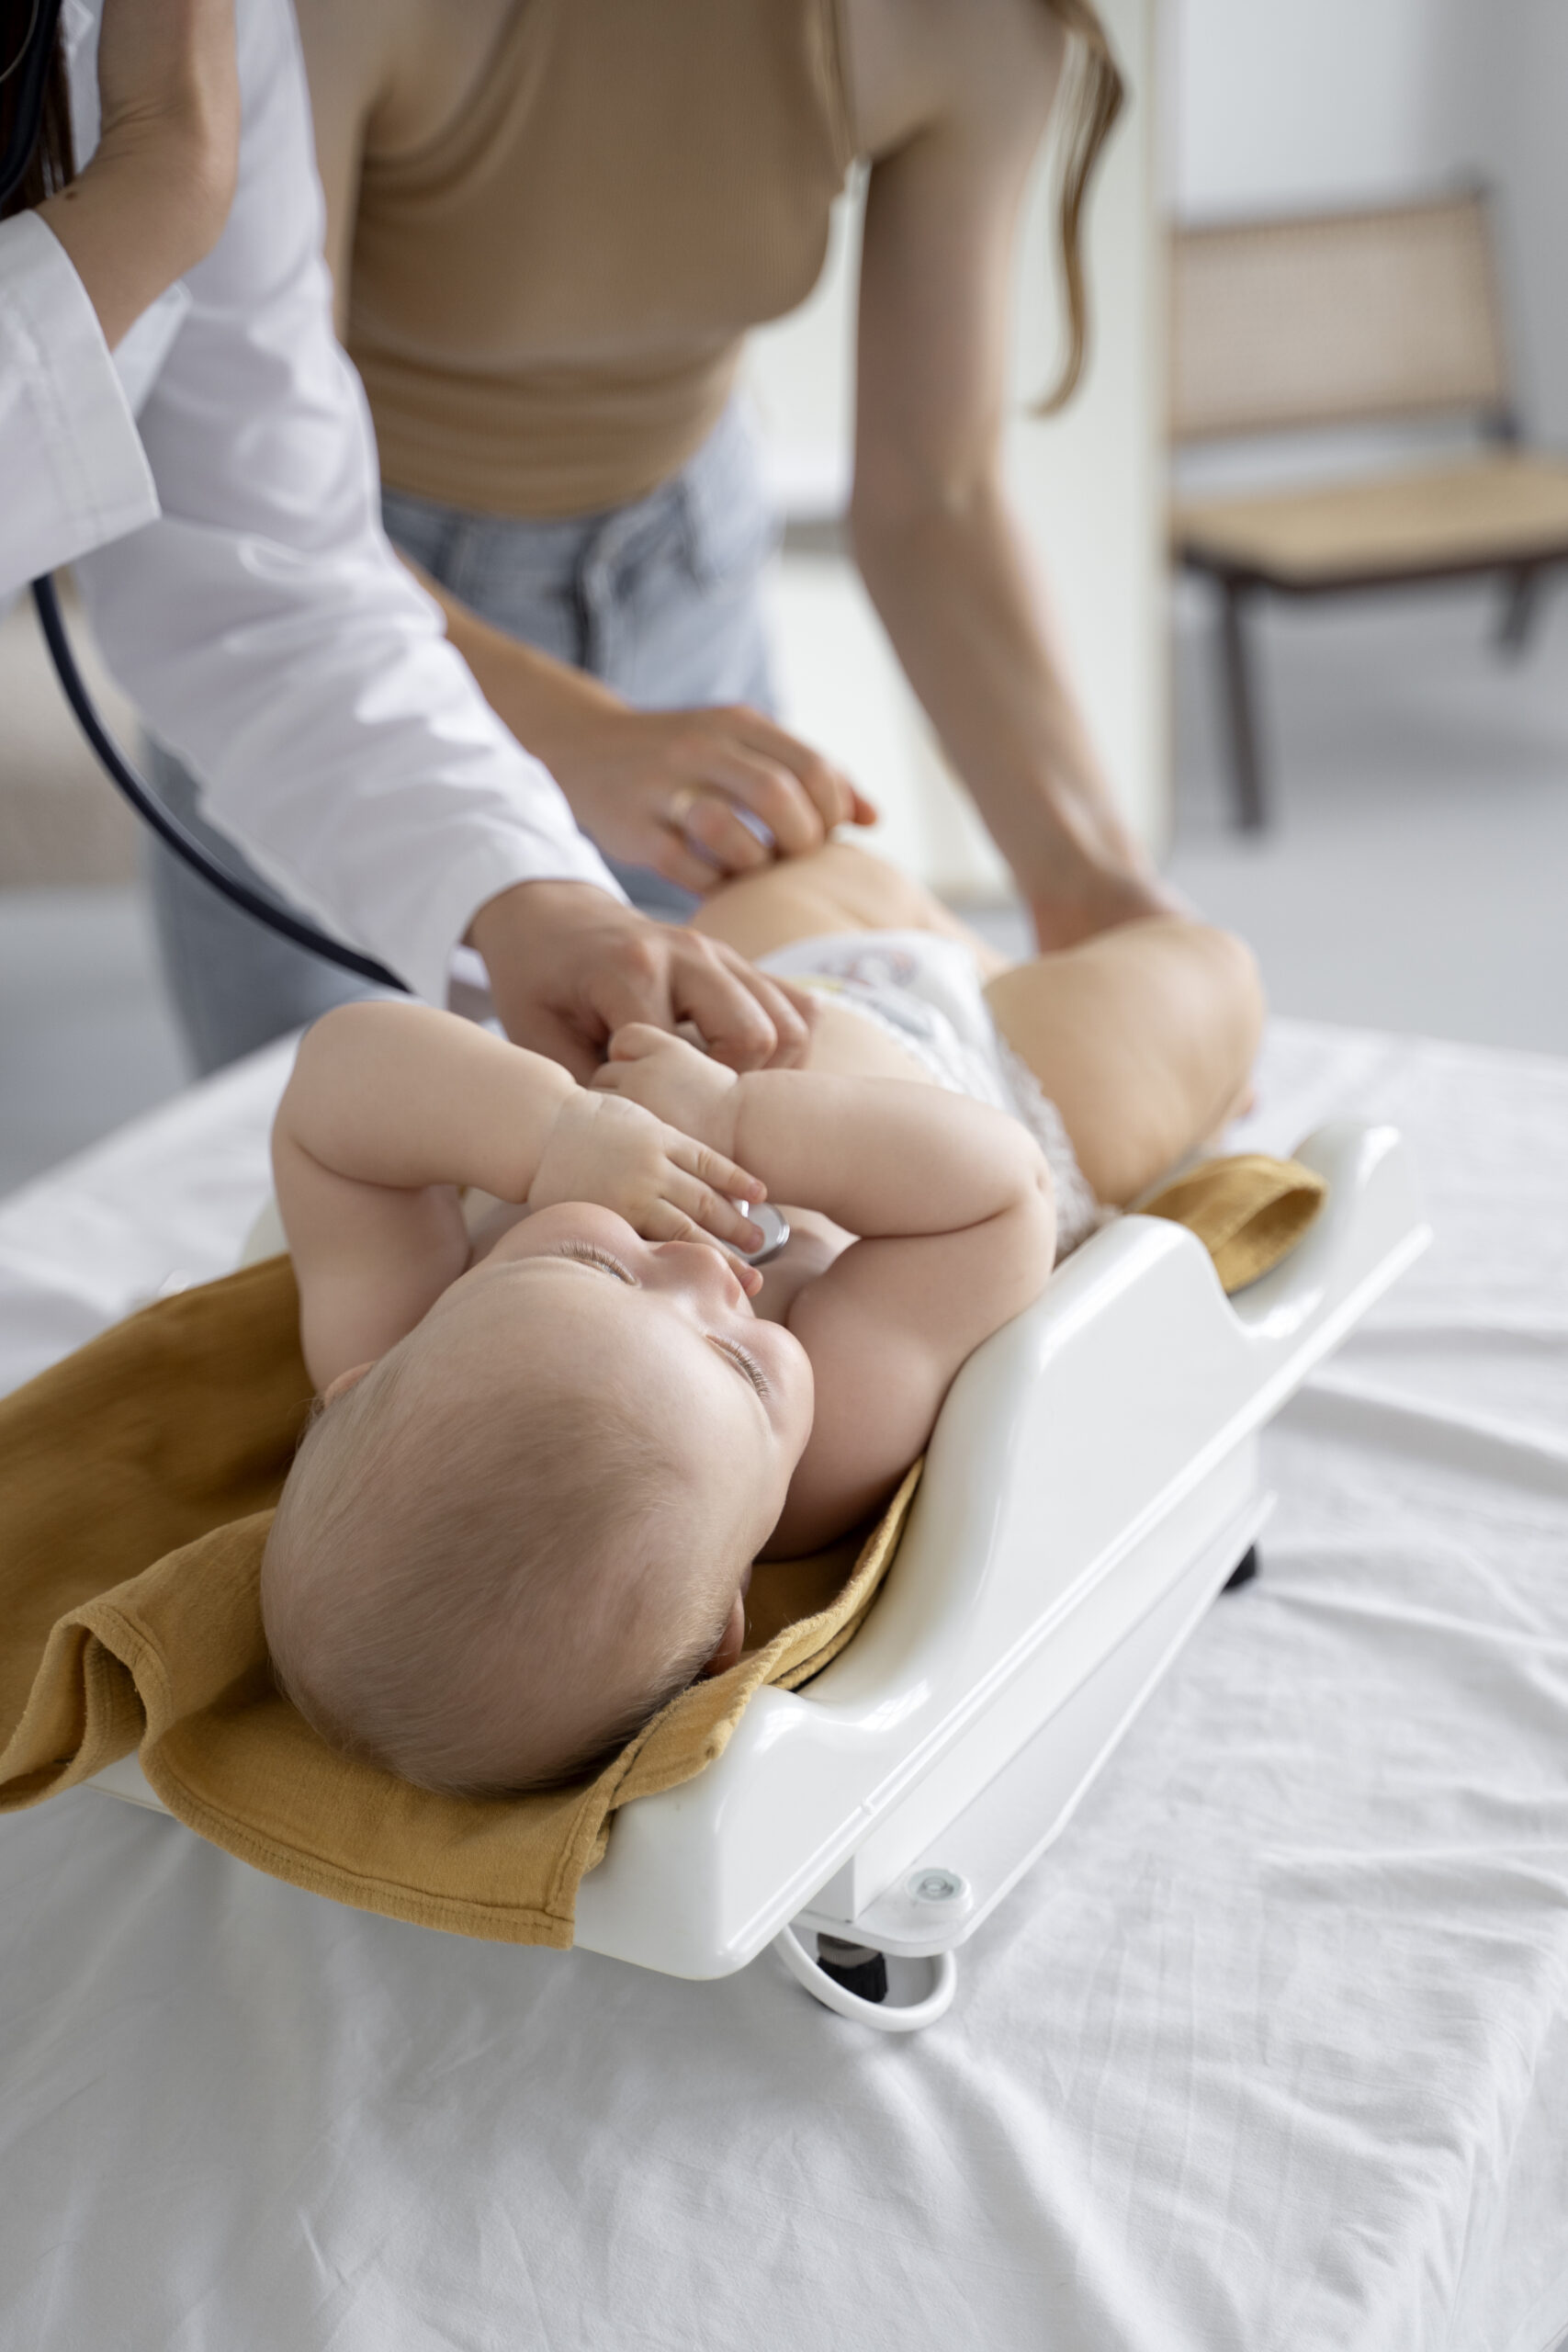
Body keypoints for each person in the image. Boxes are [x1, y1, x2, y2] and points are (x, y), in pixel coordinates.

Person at [148, 0, 1180, 1071]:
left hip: (688, 594)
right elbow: (231, 509)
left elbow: (937, 495)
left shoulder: (984, 23)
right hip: (346, 613)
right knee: (347, 1146)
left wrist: (1090, 879)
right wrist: (579, 737)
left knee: (747, 1147)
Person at [259, 847, 1261, 1792]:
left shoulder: (393, 1330)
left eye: (595, 1262)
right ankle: (1123, 1017)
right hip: (989, 1075)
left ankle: (950, 928)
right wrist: (733, 1124)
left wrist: (549, 1134)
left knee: (788, 863)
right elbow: (1000, 1199)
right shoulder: (826, 1453)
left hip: (762, 990)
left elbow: (337, 1081)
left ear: (356, 1390)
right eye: (741, 1367)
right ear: (723, 1629)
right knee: (1210, 974)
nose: (702, 1269)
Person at [0, 0, 813, 1078]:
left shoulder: (188, 32)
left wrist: (530, 894)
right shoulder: (178, 114)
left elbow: (266, 582)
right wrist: (156, 192)